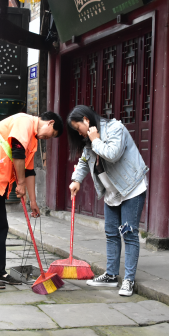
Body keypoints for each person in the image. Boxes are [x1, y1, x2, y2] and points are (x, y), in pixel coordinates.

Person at [0, 111, 64, 289]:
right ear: (50, 123)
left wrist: (33, 202)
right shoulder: (24, 121)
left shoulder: (33, 141)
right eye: (51, 135)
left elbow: (29, 171)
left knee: (1, 227)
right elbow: (17, 151)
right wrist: (19, 184)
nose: (47, 138)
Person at [67, 105, 149, 297]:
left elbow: (112, 154)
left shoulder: (115, 128)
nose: (79, 134)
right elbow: (84, 160)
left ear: (86, 120)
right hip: (112, 191)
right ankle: (111, 275)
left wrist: (95, 139)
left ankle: (128, 279)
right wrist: (76, 180)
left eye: (78, 128)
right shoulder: (89, 140)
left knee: (128, 233)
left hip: (131, 188)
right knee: (111, 233)